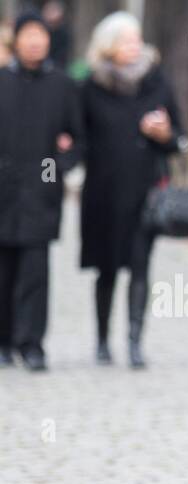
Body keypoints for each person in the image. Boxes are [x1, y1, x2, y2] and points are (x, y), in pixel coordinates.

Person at [79, 11, 186, 369]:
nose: (134, 46)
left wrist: (165, 135)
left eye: (137, 39)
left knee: (140, 267)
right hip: (104, 193)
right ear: (108, 46)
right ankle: (102, 341)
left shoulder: (157, 82)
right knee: (106, 269)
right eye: (126, 41)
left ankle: (135, 342)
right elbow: (78, 138)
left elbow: (180, 141)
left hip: (146, 193)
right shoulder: (90, 87)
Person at [0, 10, 82, 371]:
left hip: (42, 192)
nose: (35, 41)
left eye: (41, 34)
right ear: (15, 41)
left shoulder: (62, 86)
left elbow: (79, 139)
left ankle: (32, 343)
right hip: (3, 192)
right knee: (3, 272)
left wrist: (61, 164)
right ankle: (3, 342)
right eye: (28, 34)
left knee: (35, 271)